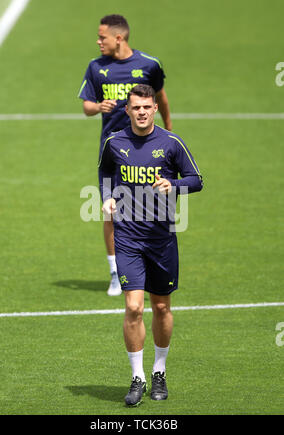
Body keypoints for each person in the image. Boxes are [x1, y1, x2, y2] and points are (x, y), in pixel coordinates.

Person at [98, 84, 203, 407]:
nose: (141, 112)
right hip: (128, 237)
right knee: (132, 307)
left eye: (147, 107)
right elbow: (104, 171)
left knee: (160, 307)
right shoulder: (114, 142)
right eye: (135, 107)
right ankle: (137, 377)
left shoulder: (171, 143)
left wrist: (174, 183)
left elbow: (196, 179)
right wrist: (106, 198)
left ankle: (159, 371)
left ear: (154, 109)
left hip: (161, 239)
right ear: (127, 110)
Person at [78, 14, 172, 296]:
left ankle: (153, 266)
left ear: (119, 38)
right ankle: (116, 272)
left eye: (102, 37)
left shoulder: (149, 64)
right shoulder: (96, 67)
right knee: (111, 209)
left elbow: (162, 99)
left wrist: (169, 133)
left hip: (149, 148)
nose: (98, 41)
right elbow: (86, 107)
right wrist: (98, 107)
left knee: (154, 204)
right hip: (114, 151)